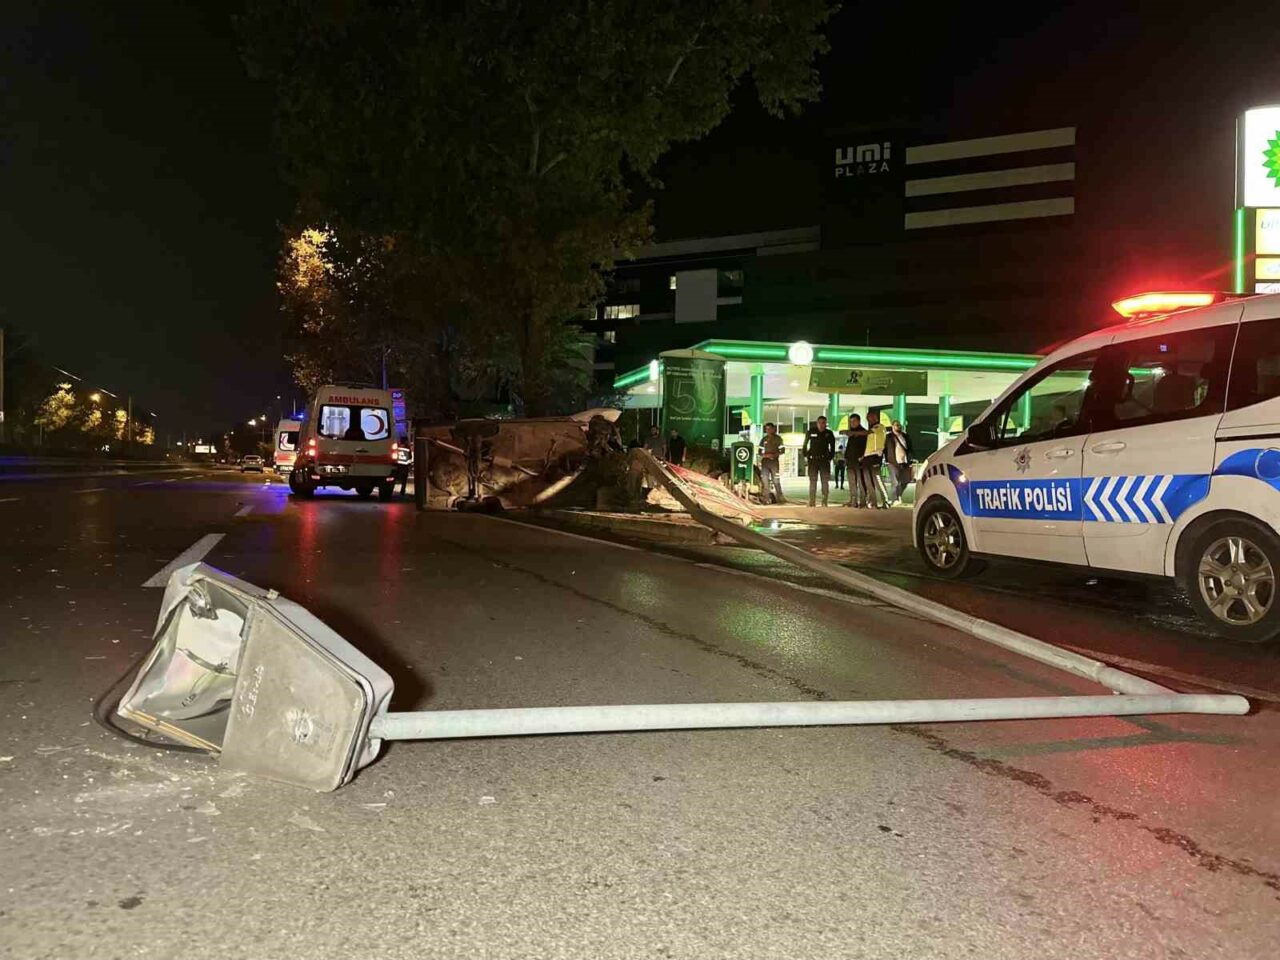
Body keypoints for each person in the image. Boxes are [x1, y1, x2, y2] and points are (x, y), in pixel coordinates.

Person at [801, 415, 836, 507]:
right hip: (813, 460)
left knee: (825, 481)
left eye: (823, 423)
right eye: (819, 423)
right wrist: (805, 455)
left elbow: (832, 447)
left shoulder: (829, 433)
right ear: (817, 423)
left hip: (824, 460)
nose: (821, 425)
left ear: (826, 424)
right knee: (812, 481)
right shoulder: (811, 432)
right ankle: (812, 501)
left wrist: (830, 457)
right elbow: (805, 444)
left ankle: (824, 501)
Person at [858, 410, 889, 509]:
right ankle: (873, 502)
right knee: (868, 481)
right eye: (867, 419)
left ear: (875, 417)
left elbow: (868, 432)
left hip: (875, 457)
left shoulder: (880, 427)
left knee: (877, 480)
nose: (869, 420)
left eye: (870, 418)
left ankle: (886, 501)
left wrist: (853, 433)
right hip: (867, 458)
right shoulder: (871, 430)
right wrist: (863, 456)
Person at [842, 413, 867, 507]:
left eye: (854, 421)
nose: (852, 423)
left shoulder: (863, 432)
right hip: (850, 460)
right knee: (852, 482)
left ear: (859, 421)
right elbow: (849, 447)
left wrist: (862, 456)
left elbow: (865, 446)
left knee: (861, 482)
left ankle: (863, 501)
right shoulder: (851, 433)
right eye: (851, 421)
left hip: (859, 460)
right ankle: (853, 500)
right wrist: (846, 457)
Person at [884, 420, 913, 505]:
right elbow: (885, 449)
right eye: (897, 425)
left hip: (904, 462)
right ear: (892, 426)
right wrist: (886, 459)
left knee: (905, 480)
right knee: (895, 482)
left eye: (899, 425)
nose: (898, 427)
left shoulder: (905, 436)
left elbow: (910, 448)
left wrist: (910, 458)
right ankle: (894, 499)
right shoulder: (889, 437)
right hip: (893, 462)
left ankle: (898, 495)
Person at [758, 422, 785, 504]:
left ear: (773, 429)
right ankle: (766, 499)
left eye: (769, 428)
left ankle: (780, 498)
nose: (768, 430)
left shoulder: (778, 439)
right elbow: (759, 451)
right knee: (765, 481)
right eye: (766, 429)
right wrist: (765, 455)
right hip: (765, 463)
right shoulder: (764, 439)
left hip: (774, 462)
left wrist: (774, 455)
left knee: (776, 480)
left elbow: (782, 450)